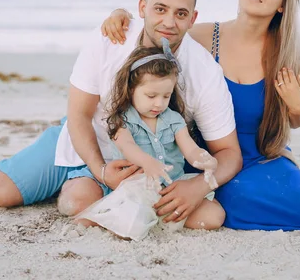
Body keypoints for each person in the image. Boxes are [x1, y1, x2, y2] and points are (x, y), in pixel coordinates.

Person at [100, 0, 300, 231]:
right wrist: (122, 15)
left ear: (282, 5)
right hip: (205, 155)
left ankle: (216, 197)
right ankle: (211, 197)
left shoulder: (283, 54)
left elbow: (294, 120)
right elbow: (161, 29)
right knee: (239, 194)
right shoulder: (203, 36)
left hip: (259, 155)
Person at [0, 0, 241, 229]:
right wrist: (101, 171)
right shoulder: (110, 37)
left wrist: (199, 186)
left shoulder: (204, 71)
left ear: (193, 19)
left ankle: (86, 189)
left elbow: (229, 152)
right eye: (160, 9)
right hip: (85, 137)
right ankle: (77, 179)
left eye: (181, 14)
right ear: (142, 8)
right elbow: (79, 115)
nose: (169, 22)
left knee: (81, 201)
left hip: (144, 166)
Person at [74, 39, 222, 230]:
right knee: (133, 223)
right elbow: (127, 146)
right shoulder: (122, 120)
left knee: (214, 217)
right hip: (137, 188)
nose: (159, 104)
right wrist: (147, 162)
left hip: (172, 187)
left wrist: (203, 159)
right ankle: (106, 217)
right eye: (151, 96)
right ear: (131, 90)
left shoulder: (174, 120)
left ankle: (155, 218)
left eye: (166, 96)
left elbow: (189, 148)